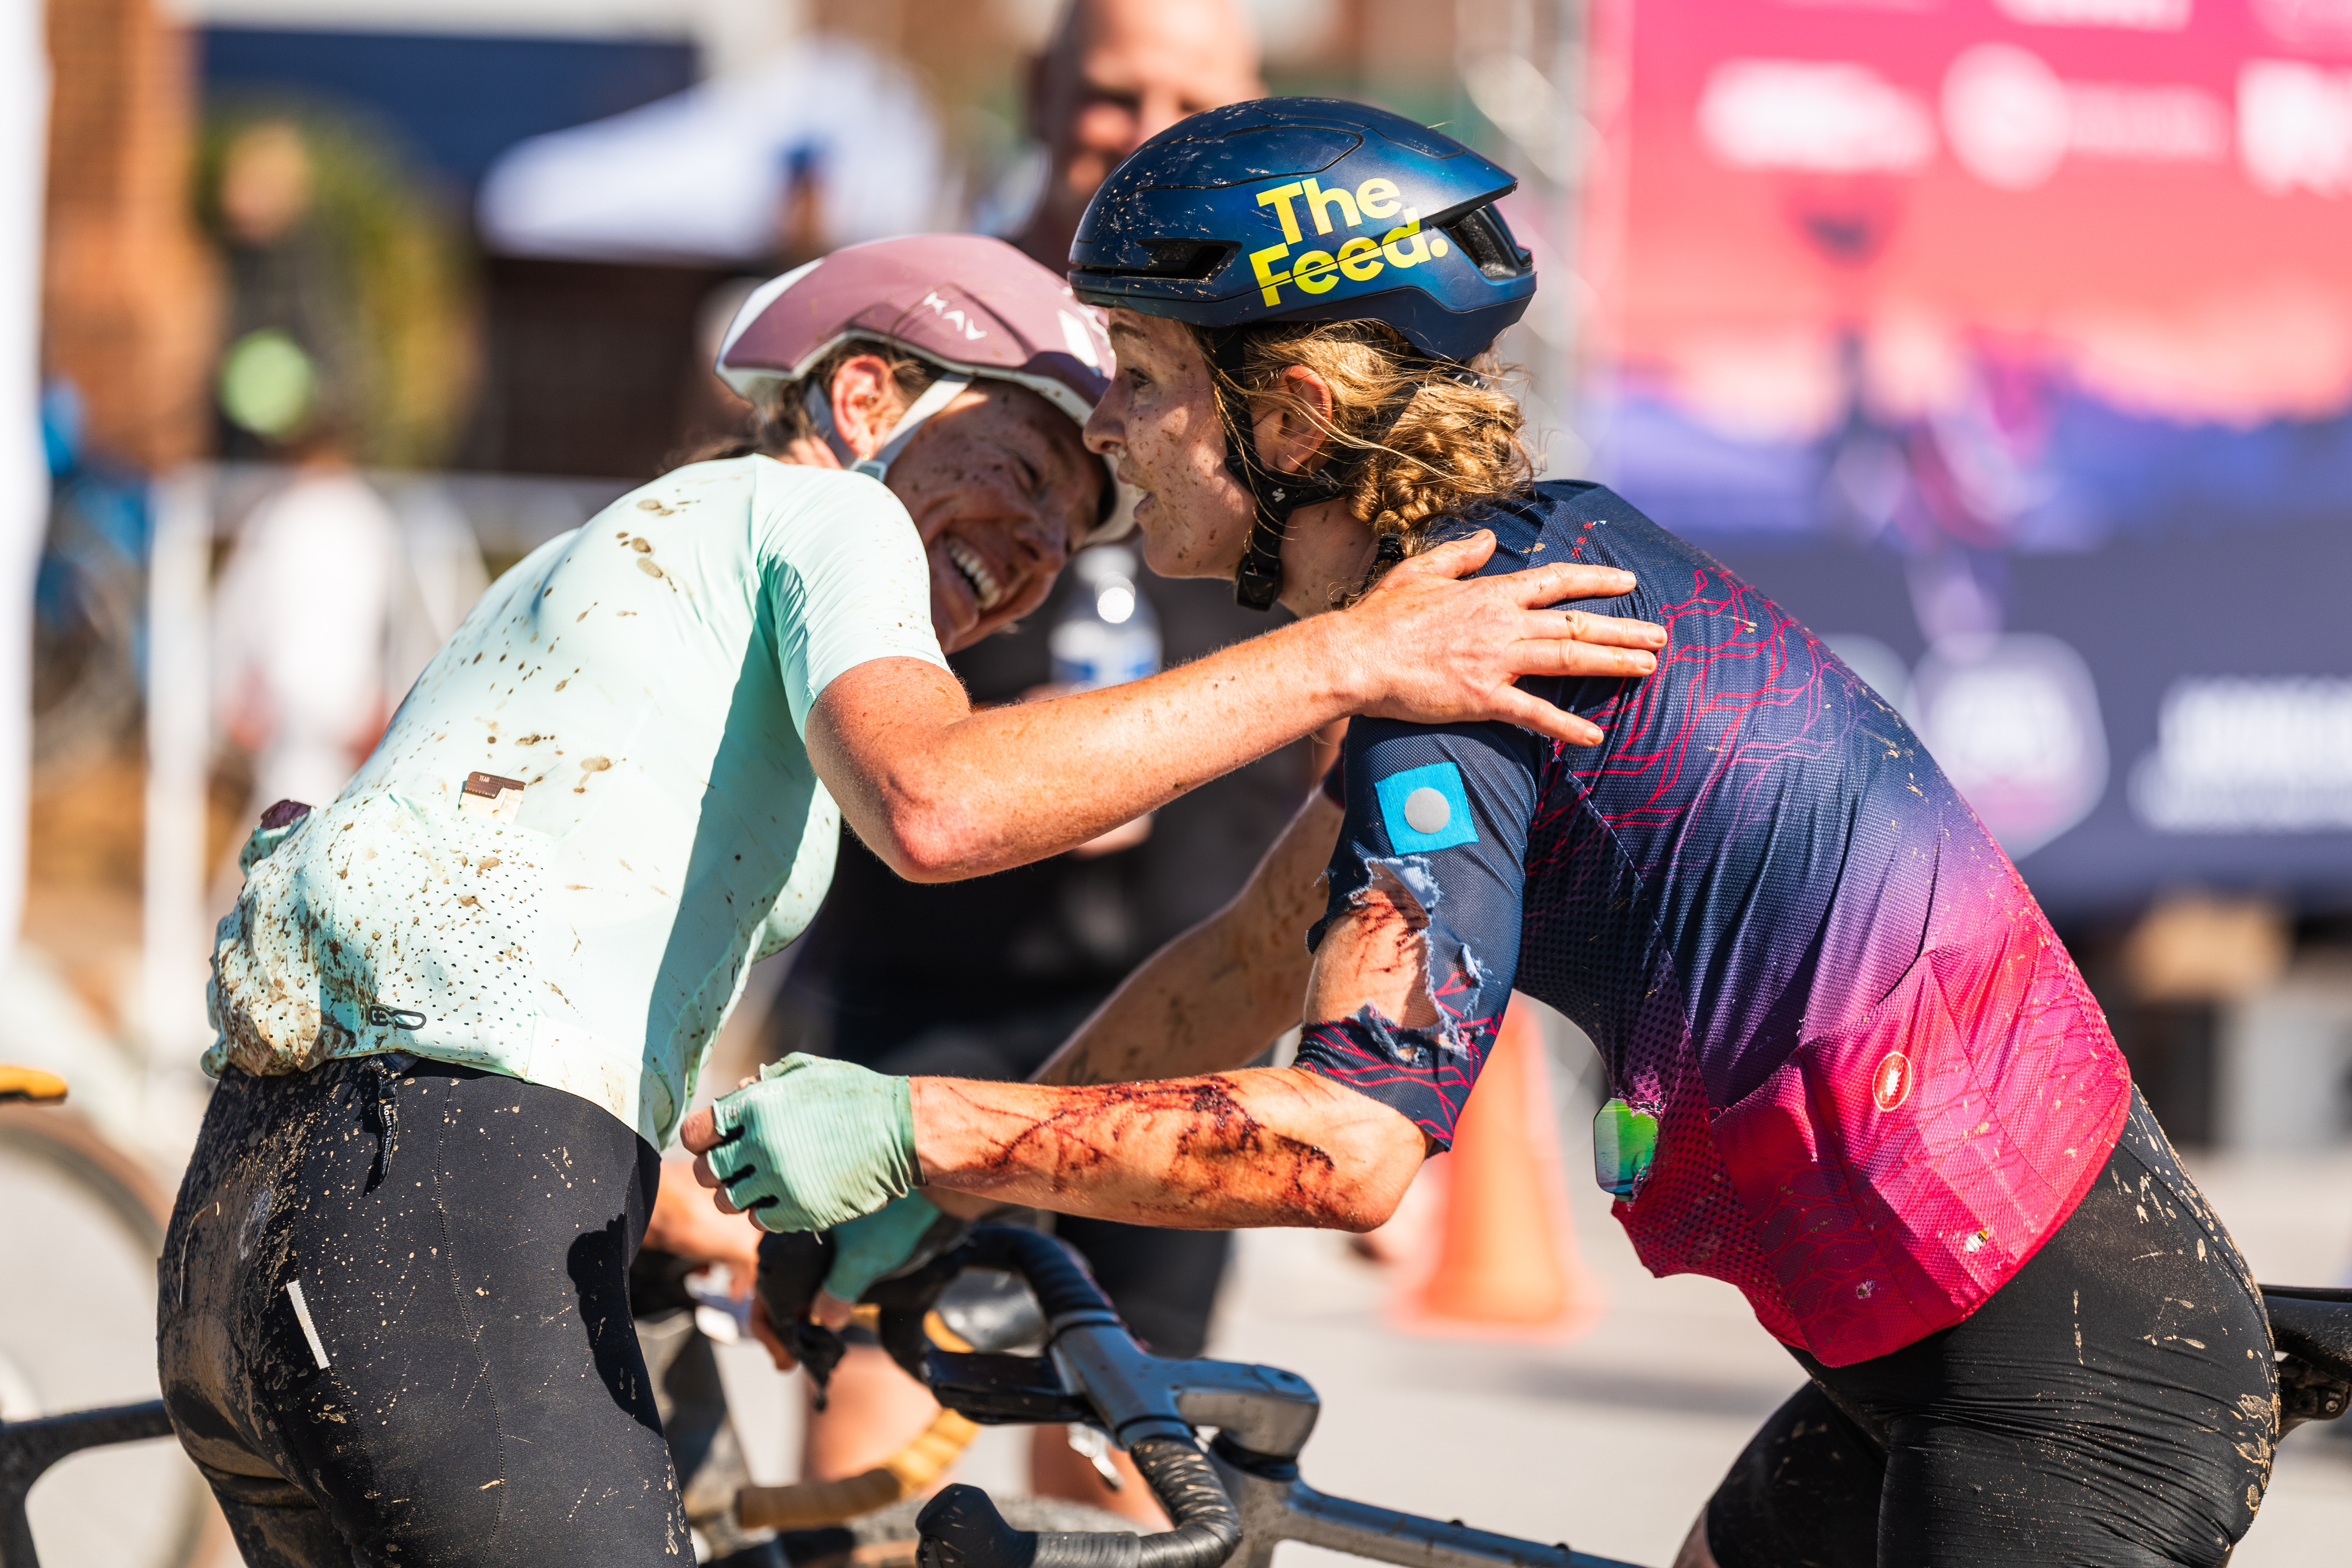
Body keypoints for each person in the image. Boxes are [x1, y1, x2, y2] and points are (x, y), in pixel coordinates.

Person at [688, 102, 2277, 1568]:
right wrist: (972, 1204)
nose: (1107, 423)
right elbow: (1256, 950)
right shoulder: (1497, 585)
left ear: (1291, 416)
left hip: (2061, 1392)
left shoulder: (1468, 666)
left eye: (1147, 373)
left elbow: (1349, 1143)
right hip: (1953, 1349)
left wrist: (923, 1131)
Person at [158, 230, 1661, 1568]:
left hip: (249, 1227)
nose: (1026, 552)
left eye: (1061, 535)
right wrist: (1352, 658)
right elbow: (941, 806)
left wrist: (697, 1214)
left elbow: (507, 969)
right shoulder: (827, 518)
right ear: (866, 399)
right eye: (1013, 471)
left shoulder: (614, 561)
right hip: (439, 1216)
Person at [769, 0, 1276, 1519]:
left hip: (1191, 992)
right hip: (934, 971)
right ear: (1042, 92)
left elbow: (1359, 704)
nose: (1146, 128)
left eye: (1193, 99)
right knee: (870, 1431)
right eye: (1115, 92)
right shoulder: (918, 329)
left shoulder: (1286, 371)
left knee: (1137, 1462)